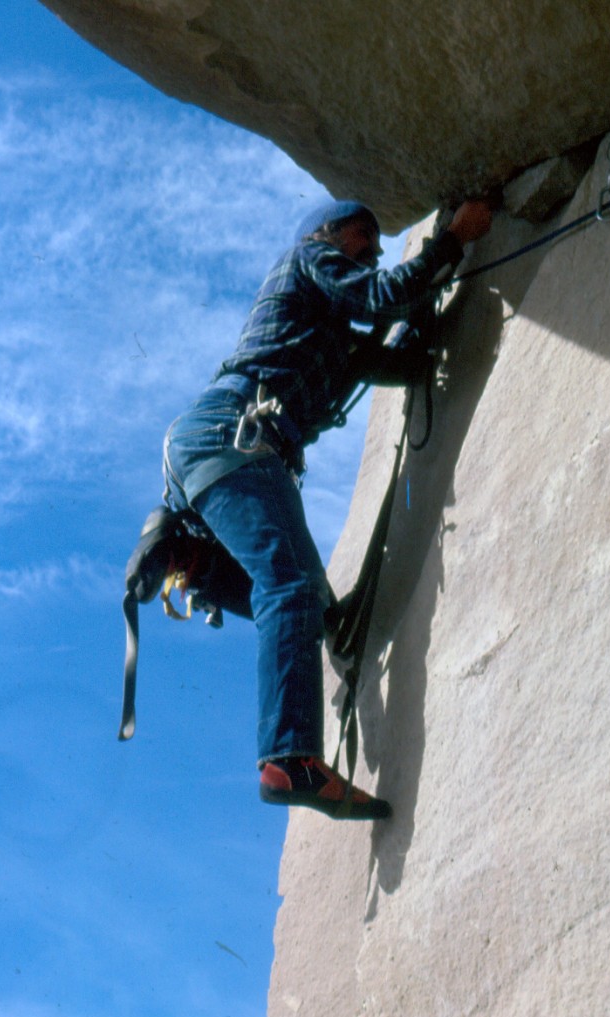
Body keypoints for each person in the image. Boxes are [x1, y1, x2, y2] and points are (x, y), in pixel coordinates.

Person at [161, 197, 492, 819]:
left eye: (375, 239)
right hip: (235, 438)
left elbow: (406, 359)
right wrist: (453, 241)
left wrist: (428, 316)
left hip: (215, 454)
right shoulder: (307, 260)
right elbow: (386, 295)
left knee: (297, 603)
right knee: (289, 587)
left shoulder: (335, 342)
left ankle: (193, 561)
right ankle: (289, 761)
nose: (369, 248)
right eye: (360, 236)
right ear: (325, 235)